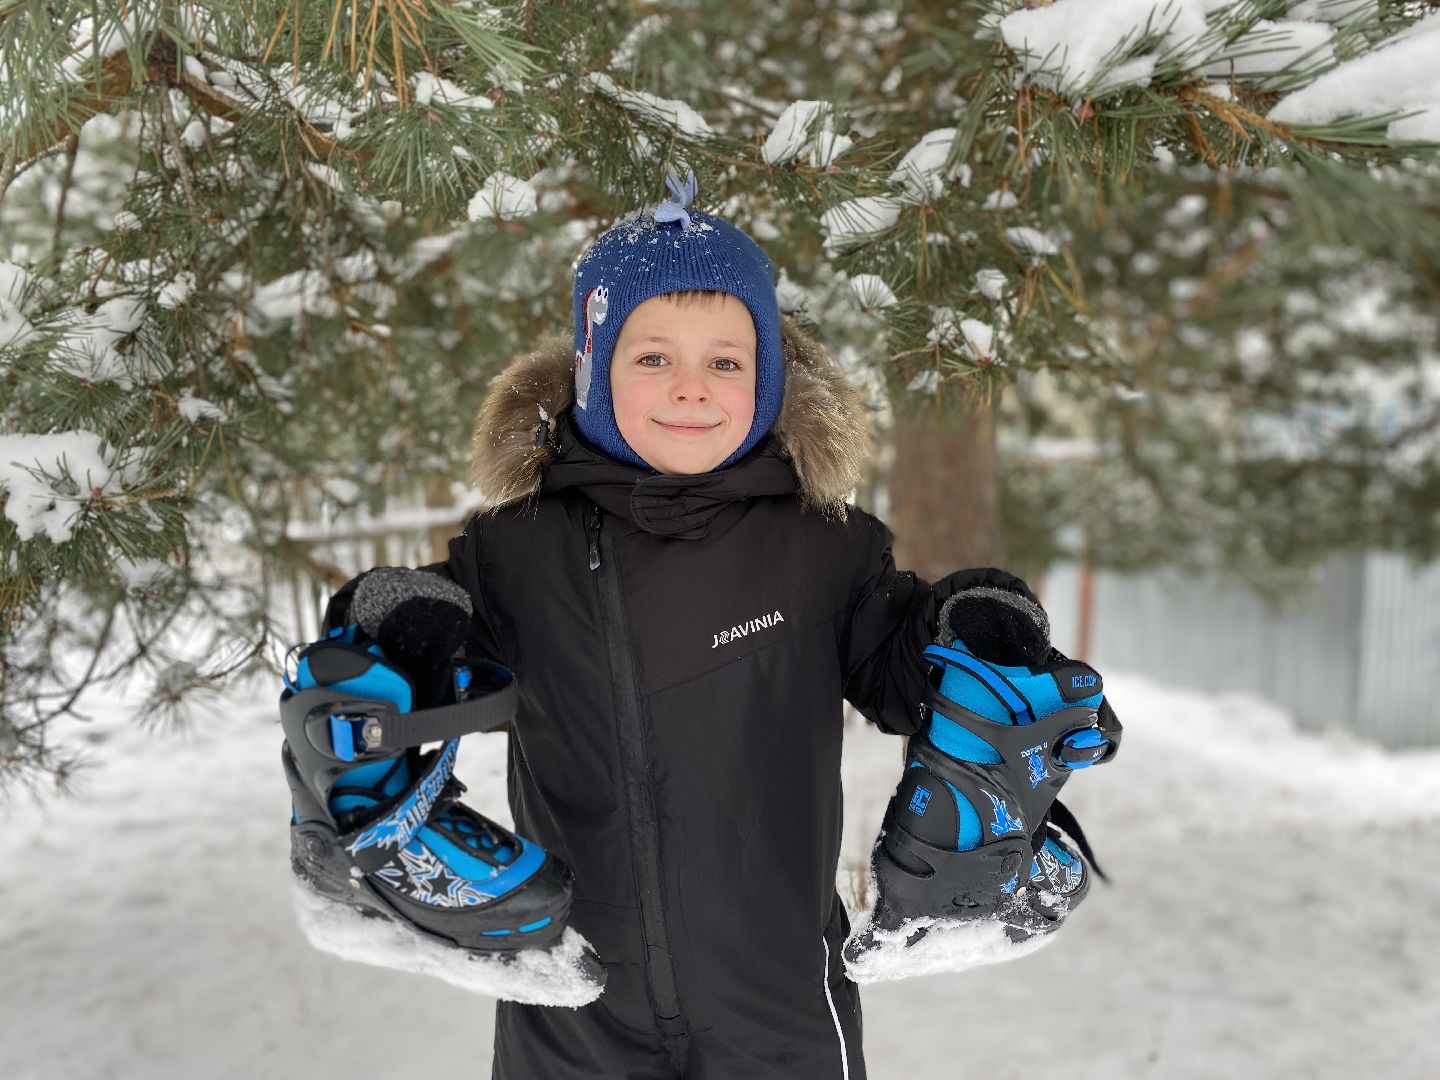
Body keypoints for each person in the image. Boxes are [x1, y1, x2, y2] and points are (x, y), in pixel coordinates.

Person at [314, 172, 1064, 1079]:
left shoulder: (822, 548)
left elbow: (908, 672)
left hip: (778, 995)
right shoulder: (515, 553)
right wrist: (393, 627)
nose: (692, 388)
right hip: (573, 997)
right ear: (595, 370)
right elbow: (434, 658)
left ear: (767, 378)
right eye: (652, 357)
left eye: (726, 360)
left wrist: (976, 627)